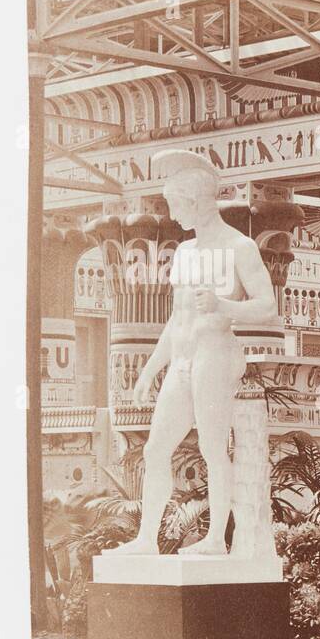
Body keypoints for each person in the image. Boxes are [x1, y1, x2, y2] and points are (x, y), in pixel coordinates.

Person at [110, 150, 278, 556]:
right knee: (155, 449)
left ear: (199, 201)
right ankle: (146, 539)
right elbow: (176, 320)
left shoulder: (239, 247)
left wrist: (226, 307)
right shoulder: (185, 252)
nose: (174, 215)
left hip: (215, 356)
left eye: (177, 205)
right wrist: (151, 370)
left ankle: (216, 540)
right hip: (183, 360)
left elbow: (268, 305)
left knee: (212, 448)